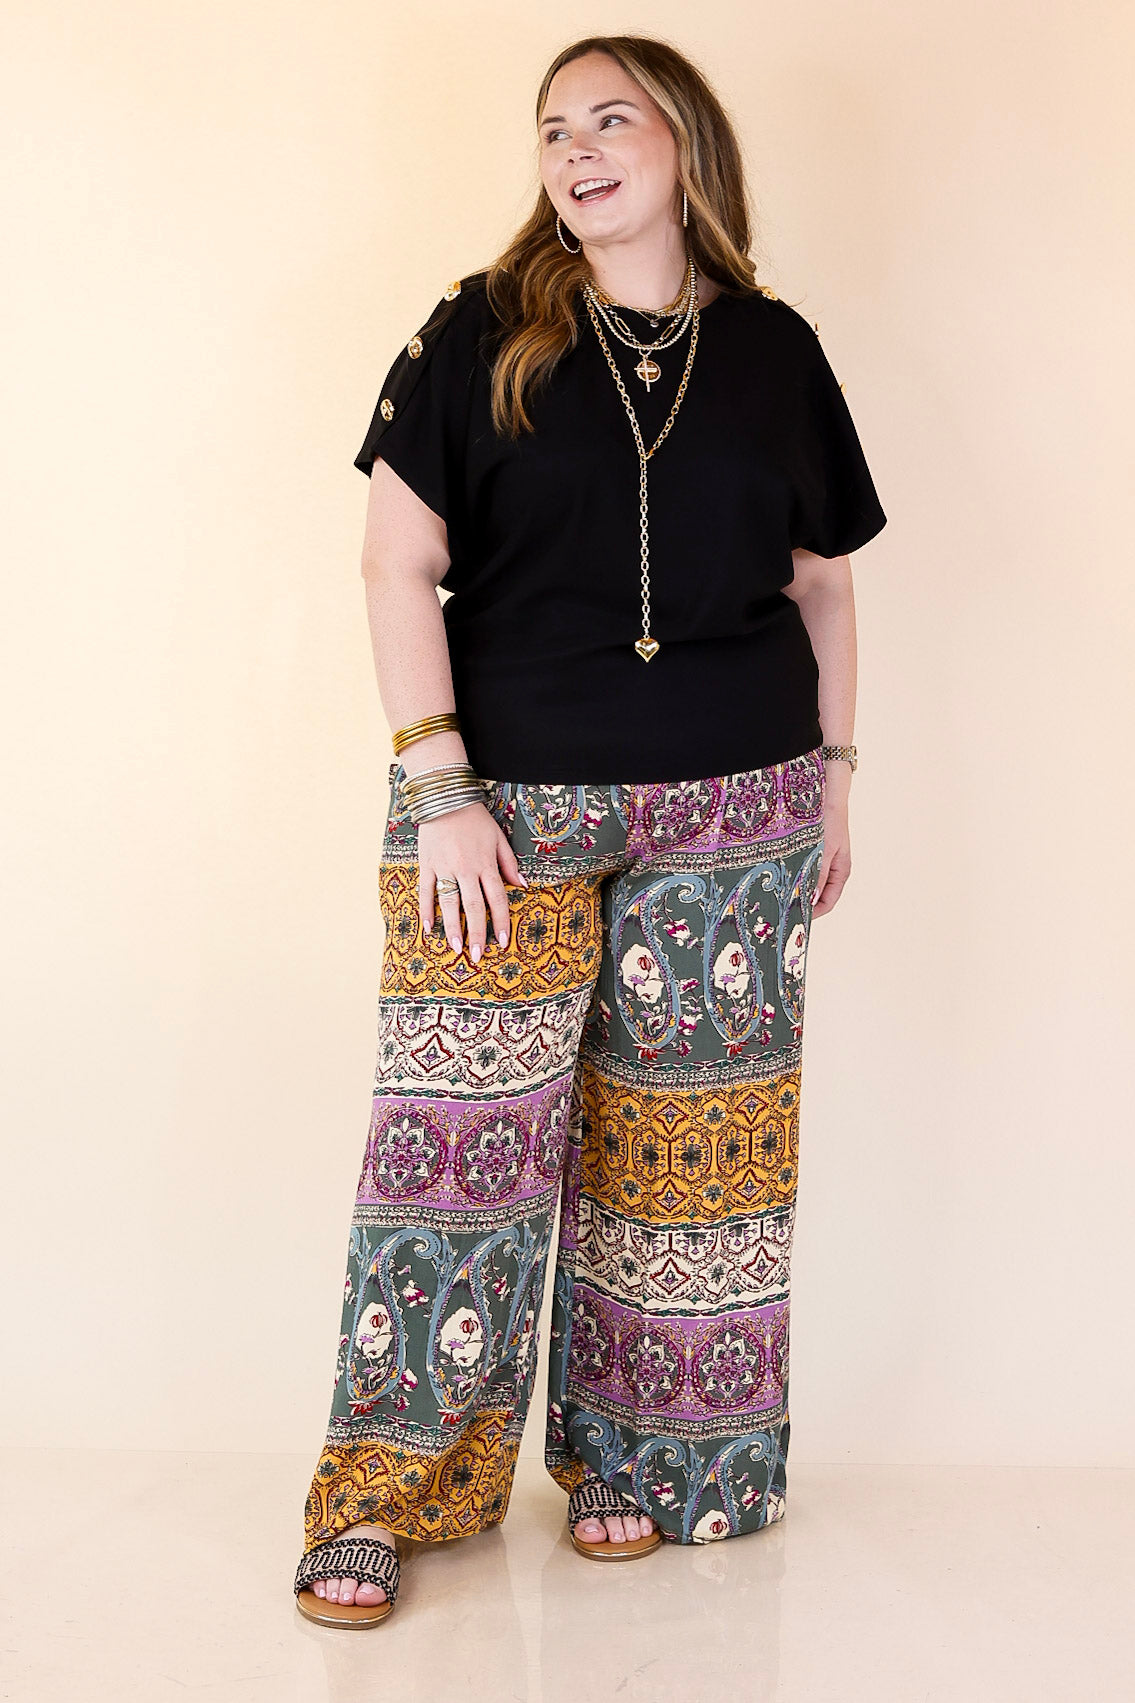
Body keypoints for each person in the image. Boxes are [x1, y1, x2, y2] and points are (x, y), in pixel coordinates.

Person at [293, 32, 886, 1627]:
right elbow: (393, 565)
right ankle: (388, 1492)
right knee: (456, 1157)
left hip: (741, 805)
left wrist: (836, 776)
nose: (576, 149)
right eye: (554, 128)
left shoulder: (774, 349)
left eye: (611, 119)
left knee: (685, 1160)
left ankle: (642, 1461)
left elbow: (824, 583)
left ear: (686, 144)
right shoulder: (477, 330)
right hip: (507, 811)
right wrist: (438, 792)